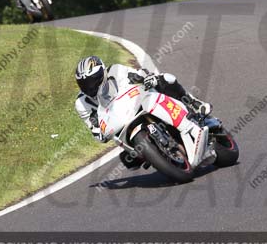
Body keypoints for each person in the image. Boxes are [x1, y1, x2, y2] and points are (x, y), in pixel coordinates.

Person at [74, 55, 212, 169]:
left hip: (138, 101)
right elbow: (94, 128)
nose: (90, 87)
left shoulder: (116, 70)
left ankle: (193, 102)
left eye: (93, 81)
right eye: (84, 84)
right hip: (121, 124)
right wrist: (101, 134)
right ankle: (157, 152)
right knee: (128, 161)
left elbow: (138, 74)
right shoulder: (82, 103)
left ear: (103, 73)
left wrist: (146, 78)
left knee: (164, 79)